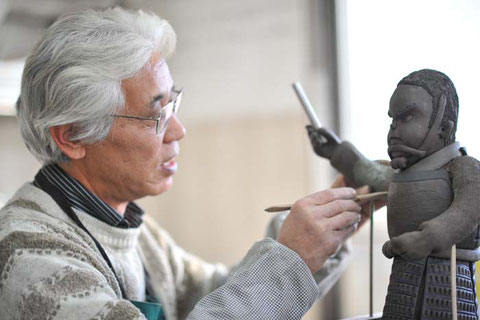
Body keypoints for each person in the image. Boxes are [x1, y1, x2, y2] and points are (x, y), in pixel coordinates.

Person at [0, 7, 364, 320]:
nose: (178, 130)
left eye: (173, 104)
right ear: (73, 135)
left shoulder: (138, 233)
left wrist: (316, 241)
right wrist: (290, 258)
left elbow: (213, 295)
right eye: (156, 114)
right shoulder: (29, 254)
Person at [307, 69, 480, 319]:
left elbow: (469, 209)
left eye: (408, 116)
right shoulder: (403, 177)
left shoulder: (464, 167)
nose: (394, 129)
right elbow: (371, 175)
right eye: (393, 120)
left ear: (444, 128)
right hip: (403, 283)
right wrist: (337, 151)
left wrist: (426, 239)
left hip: (449, 287)